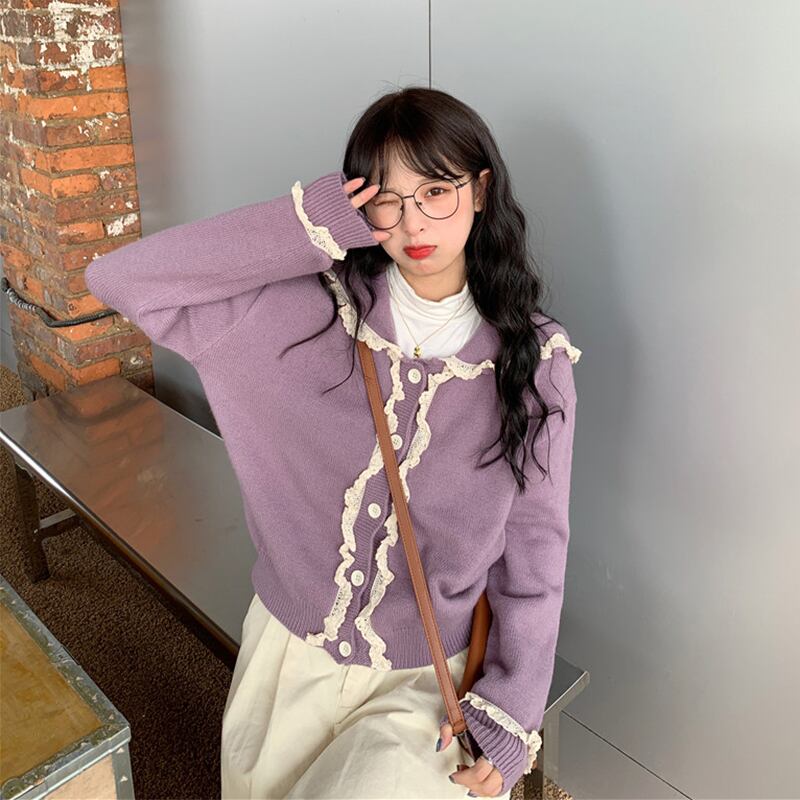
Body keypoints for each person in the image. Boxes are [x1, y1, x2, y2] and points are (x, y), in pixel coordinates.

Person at [84, 86, 582, 799]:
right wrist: (304, 225)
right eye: (388, 199)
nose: (413, 221)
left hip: (424, 686)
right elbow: (119, 278)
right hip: (288, 663)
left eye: (436, 191)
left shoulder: (535, 362)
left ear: (479, 191)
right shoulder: (301, 312)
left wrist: (512, 706)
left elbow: (536, 549)